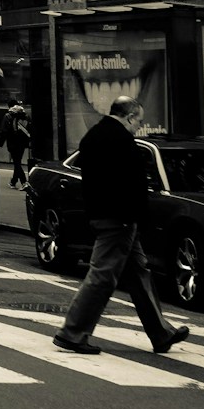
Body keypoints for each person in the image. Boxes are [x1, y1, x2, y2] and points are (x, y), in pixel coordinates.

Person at [55, 96, 188, 356]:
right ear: (129, 117)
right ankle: (71, 333)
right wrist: (137, 218)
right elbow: (131, 186)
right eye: (138, 121)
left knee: (139, 273)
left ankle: (161, 333)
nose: (139, 126)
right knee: (102, 276)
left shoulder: (93, 136)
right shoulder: (122, 141)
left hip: (104, 215)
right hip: (120, 220)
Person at [0, 100, 33, 188]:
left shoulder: (8, 116)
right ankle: (13, 181)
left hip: (12, 142)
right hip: (22, 142)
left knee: (17, 162)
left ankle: (24, 182)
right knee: (17, 161)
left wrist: (1, 142)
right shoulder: (25, 115)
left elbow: (4, 131)